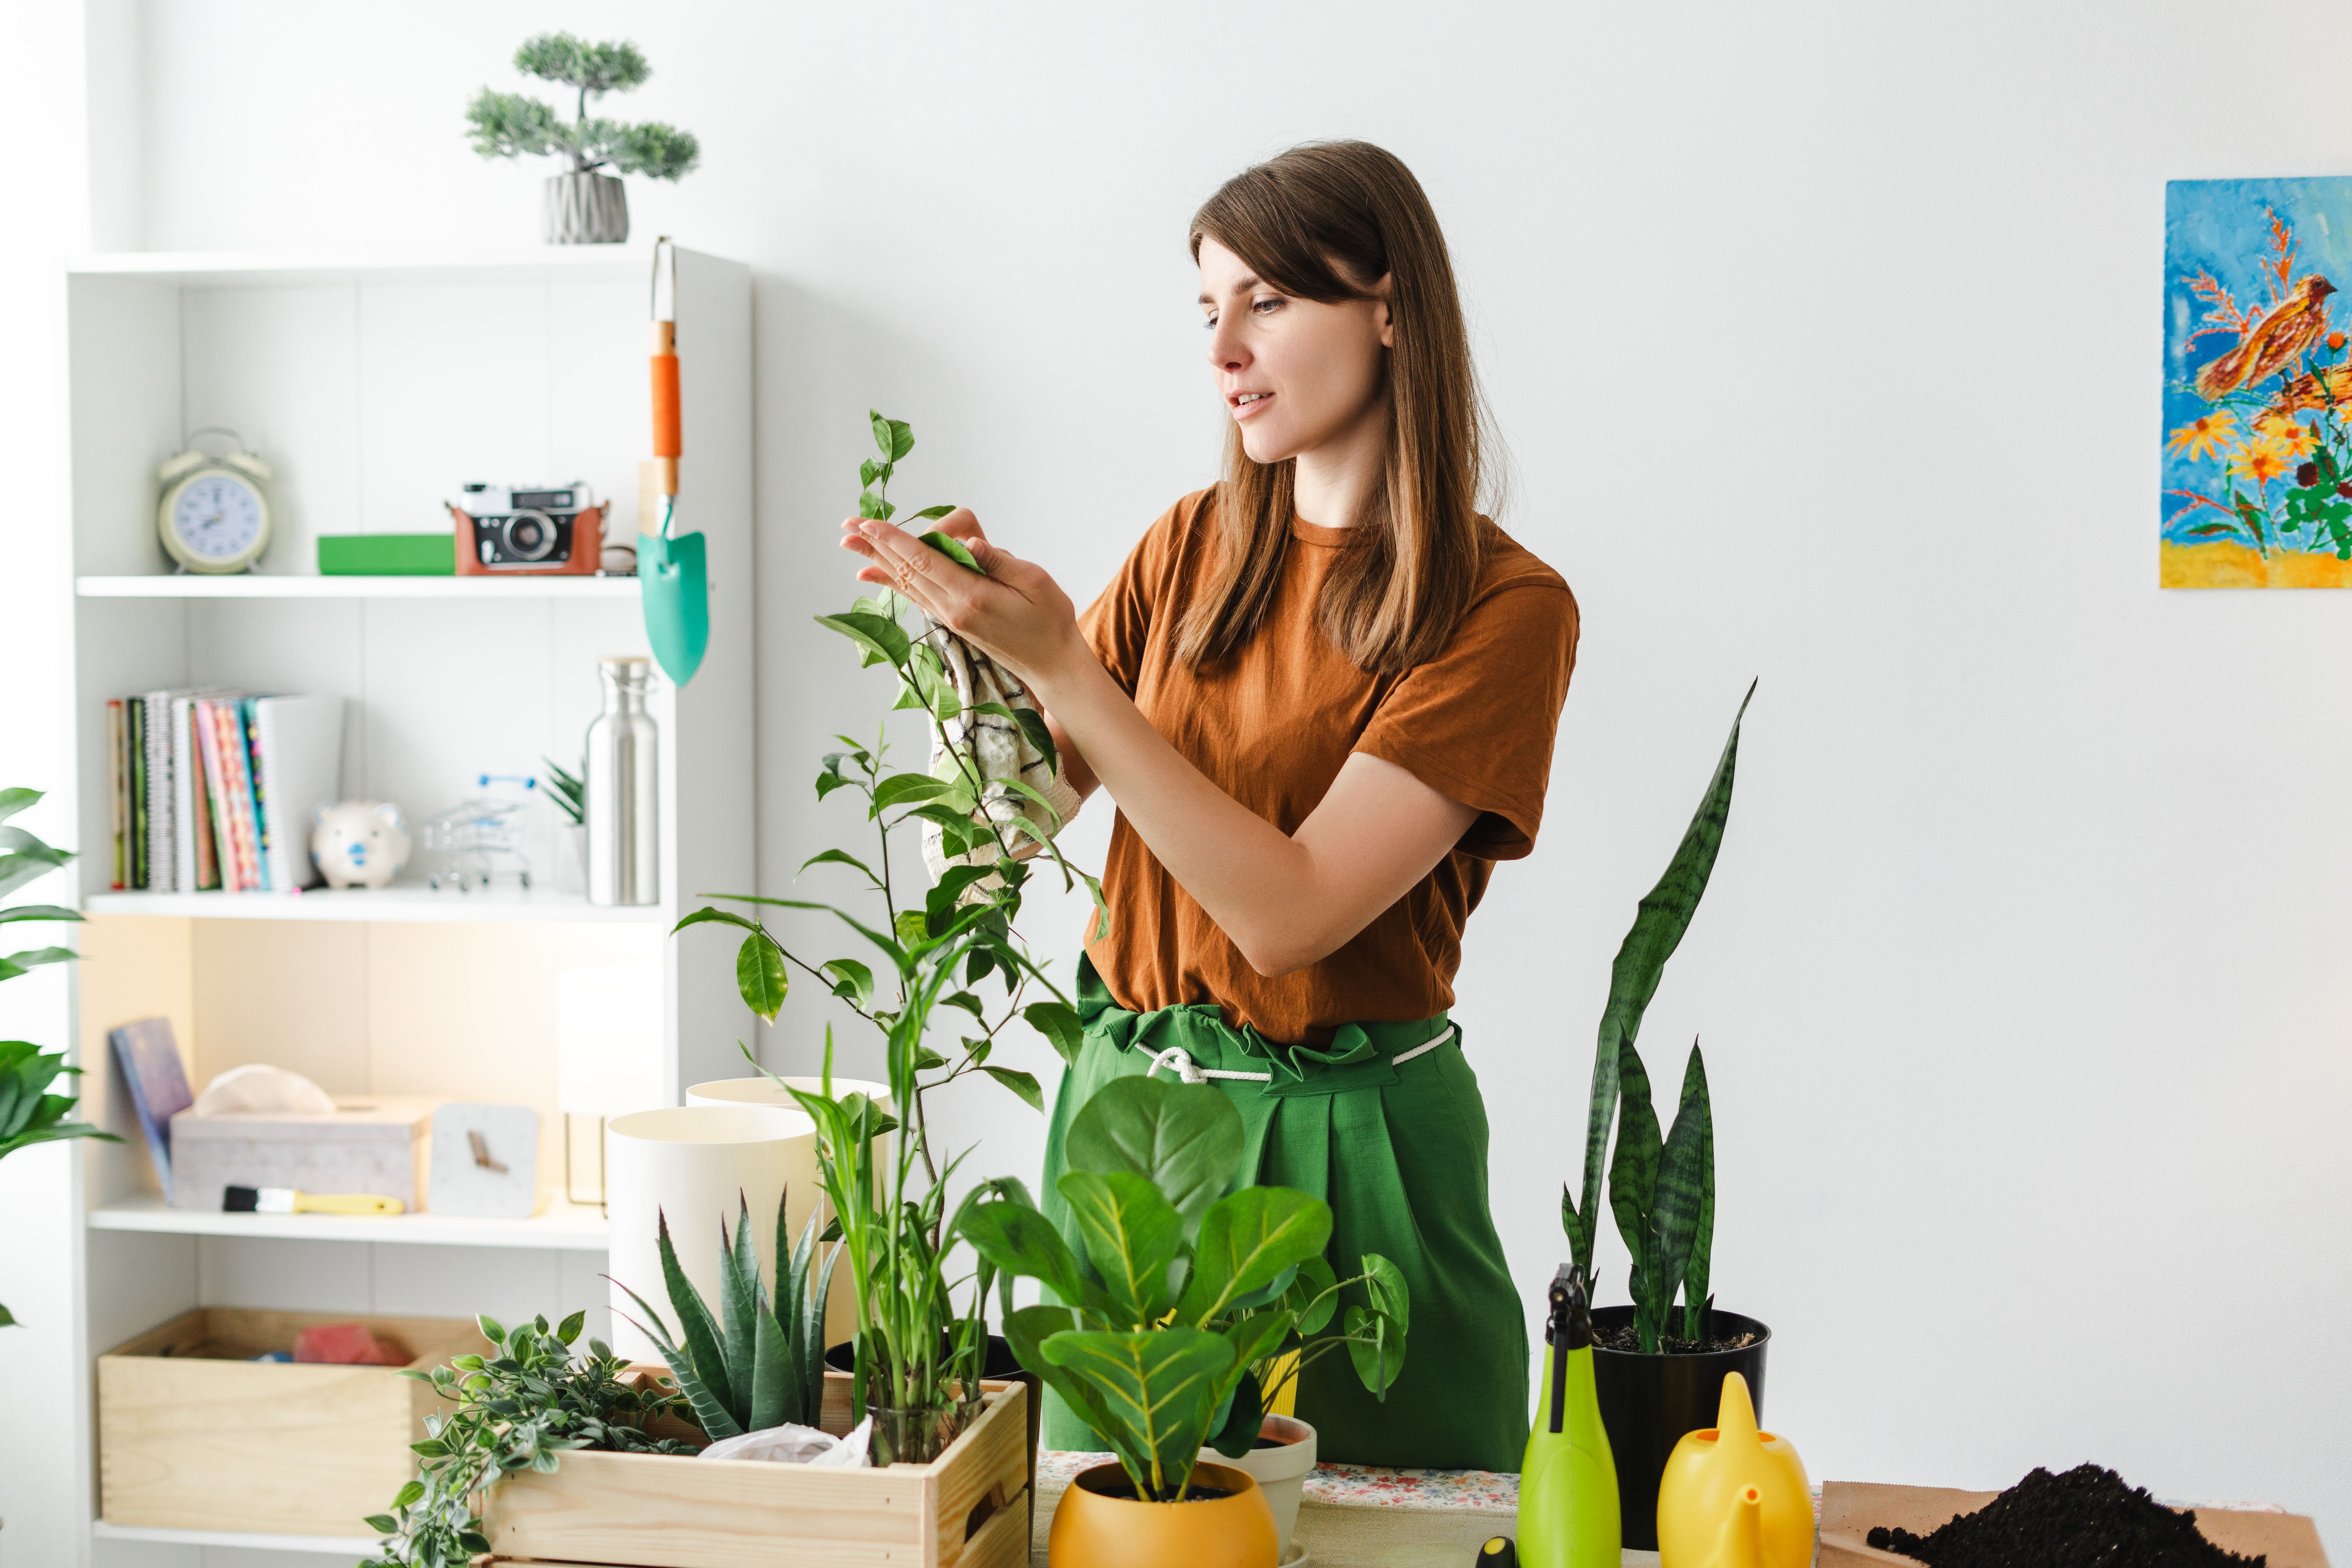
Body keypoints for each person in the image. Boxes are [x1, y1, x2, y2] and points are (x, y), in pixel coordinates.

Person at [838, 139, 1577, 1471]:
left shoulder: (1504, 610)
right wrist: (976, 649)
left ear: (1395, 310)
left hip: (1353, 1147)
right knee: (1108, 1535)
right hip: (1132, 1128)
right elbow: (1016, 817)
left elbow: (1291, 915)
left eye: (1270, 302)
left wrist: (1068, 661)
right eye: (1208, 309)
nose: (1224, 347)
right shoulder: (1194, 545)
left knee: (1375, 1536)